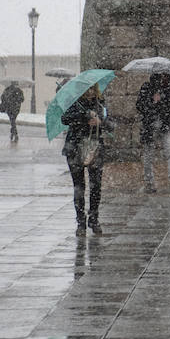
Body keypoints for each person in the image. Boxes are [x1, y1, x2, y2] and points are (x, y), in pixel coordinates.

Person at [61, 83, 107, 234]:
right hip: (75, 148)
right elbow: (65, 119)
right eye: (87, 89)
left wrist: (100, 122)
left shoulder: (100, 104)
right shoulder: (74, 104)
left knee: (96, 186)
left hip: (94, 149)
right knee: (79, 187)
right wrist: (84, 117)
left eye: (93, 88)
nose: (90, 92)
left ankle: (94, 218)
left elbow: (111, 124)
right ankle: (80, 221)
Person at [137, 73, 170, 193]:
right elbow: (140, 106)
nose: (165, 78)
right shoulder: (147, 87)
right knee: (148, 155)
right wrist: (152, 101)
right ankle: (149, 182)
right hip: (150, 126)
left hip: (167, 125)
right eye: (163, 75)